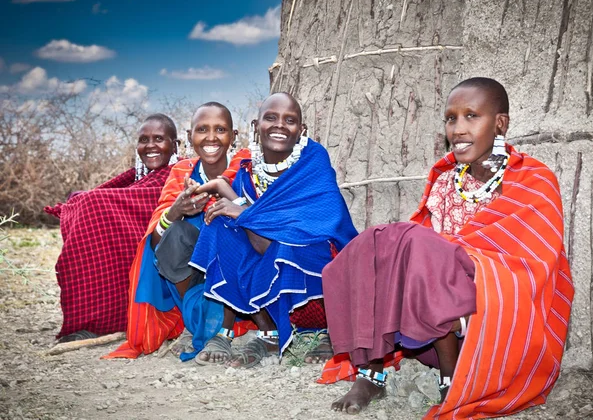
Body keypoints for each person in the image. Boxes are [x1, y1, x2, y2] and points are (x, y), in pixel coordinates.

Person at [319, 77, 574, 418]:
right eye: (451, 118)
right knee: (380, 242)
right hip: (438, 293)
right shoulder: (445, 180)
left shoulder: (533, 180)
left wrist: (447, 255)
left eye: (472, 116)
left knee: (413, 243)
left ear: (500, 124)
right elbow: (426, 243)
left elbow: (534, 264)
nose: (458, 128)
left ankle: (451, 377)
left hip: (500, 302)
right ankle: (373, 373)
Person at [187, 92, 358, 367]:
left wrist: (246, 213)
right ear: (256, 126)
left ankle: (333, 332)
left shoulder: (313, 161)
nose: (280, 125)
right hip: (271, 284)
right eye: (271, 118)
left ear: (301, 130)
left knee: (292, 243)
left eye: (289, 120)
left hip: (314, 288)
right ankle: (268, 331)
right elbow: (256, 240)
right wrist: (228, 196)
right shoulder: (247, 173)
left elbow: (320, 223)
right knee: (221, 222)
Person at [105, 102, 250, 360]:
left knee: (226, 229)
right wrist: (176, 210)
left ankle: (221, 326)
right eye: (202, 129)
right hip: (192, 275)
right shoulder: (182, 171)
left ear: (233, 136)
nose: (211, 137)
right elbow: (155, 244)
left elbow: (259, 220)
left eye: (220, 129)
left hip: (238, 270)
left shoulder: (245, 166)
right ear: (189, 136)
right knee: (175, 234)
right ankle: (193, 319)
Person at [44, 114, 180, 341]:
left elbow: (109, 200)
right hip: (140, 240)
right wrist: (80, 202)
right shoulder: (138, 174)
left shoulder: (181, 172)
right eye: (143, 140)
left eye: (159, 138)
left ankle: (120, 318)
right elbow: (103, 193)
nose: (150, 146)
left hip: (169, 247)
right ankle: (94, 319)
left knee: (91, 204)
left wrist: (89, 203)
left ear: (174, 144)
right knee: (85, 204)